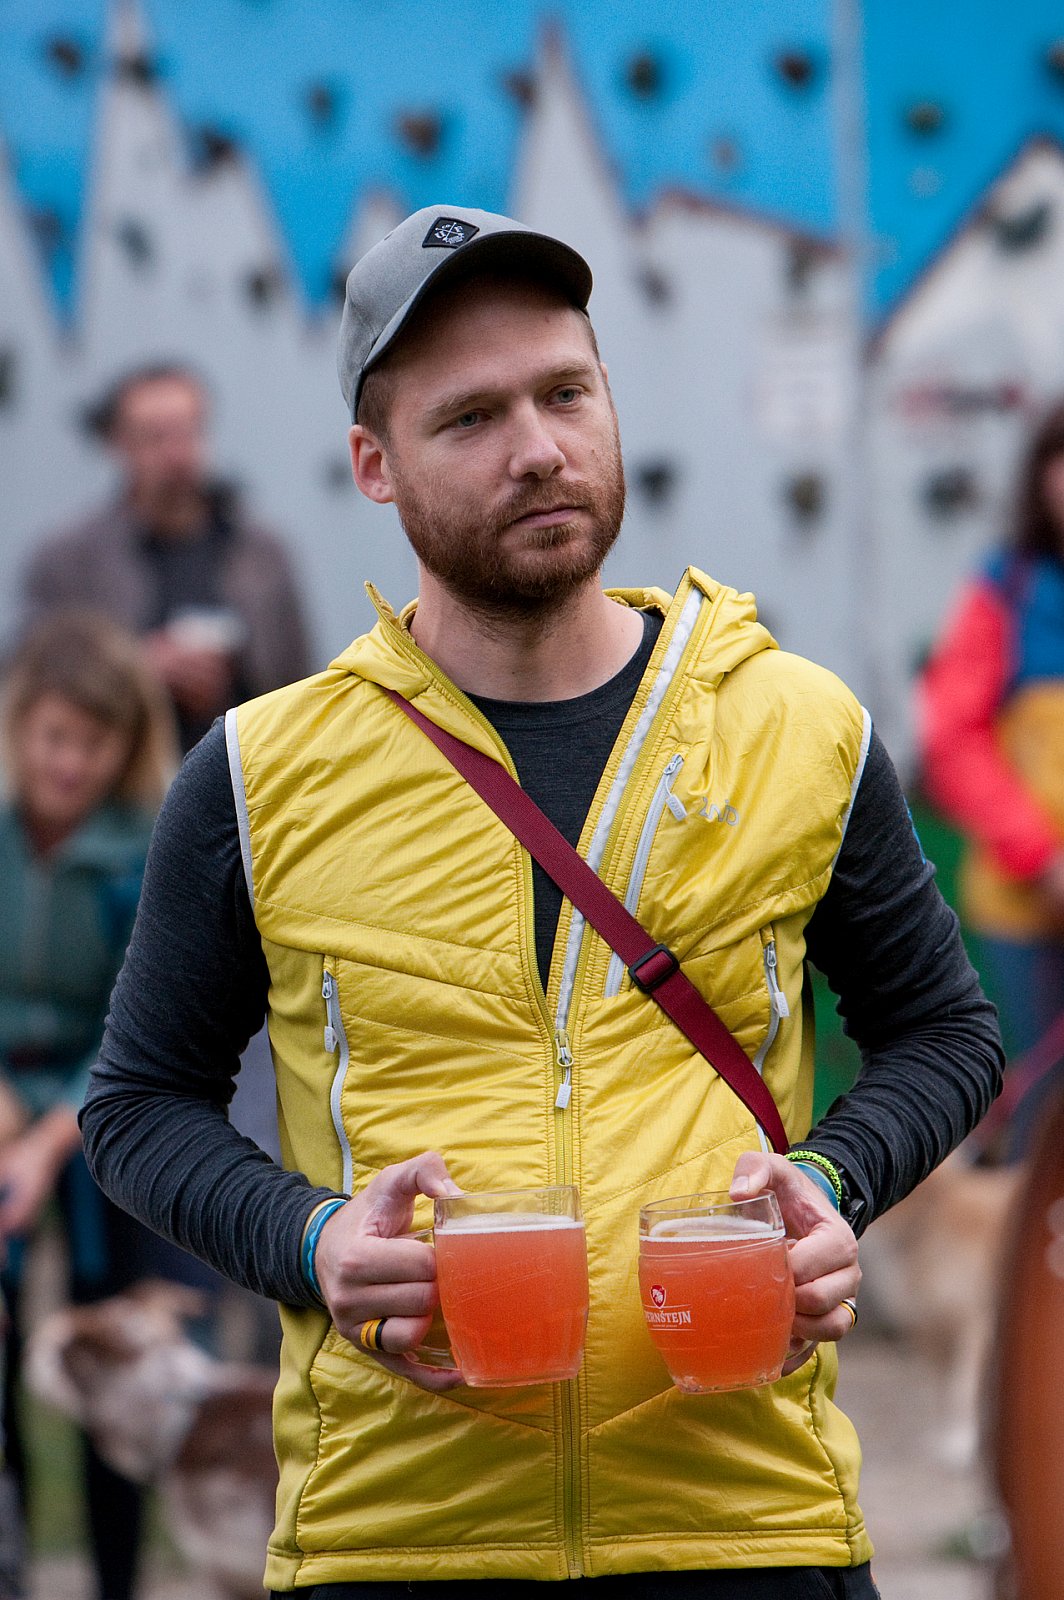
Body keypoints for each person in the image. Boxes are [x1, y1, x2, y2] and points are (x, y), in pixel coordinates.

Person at [81, 205, 1003, 1599]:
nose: (537, 449)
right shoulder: (260, 773)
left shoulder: (797, 727)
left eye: (565, 393)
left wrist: (830, 1186)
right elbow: (137, 1103)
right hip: (396, 1535)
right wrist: (310, 1240)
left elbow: (945, 1033)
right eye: (470, 418)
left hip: (748, 1522)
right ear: (374, 465)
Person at [0, 613, 177, 1600]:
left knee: (104, 1353)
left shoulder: (143, 850)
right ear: (22, 725)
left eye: (94, 744)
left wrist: (46, 1144)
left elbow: (135, 1020)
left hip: (103, 1105)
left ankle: (118, 1579)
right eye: (54, 737)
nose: (69, 763)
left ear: (127, 746)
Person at [21, 363, 311, 751]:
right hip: (121, 776)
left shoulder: (261, 553)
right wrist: (137, 667)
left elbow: (301, 685)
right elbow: (29, 683)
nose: (175, 454)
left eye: (188, 432)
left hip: (250, 771)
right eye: (155, 437)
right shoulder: (70, 560)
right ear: (119, 445)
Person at [918, 399, 1064, 1156]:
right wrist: (1040, 857)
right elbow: (952, 742)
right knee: (1044, 1115)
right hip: (1026, 908)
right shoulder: (1005, 592)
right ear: (1041, 476)